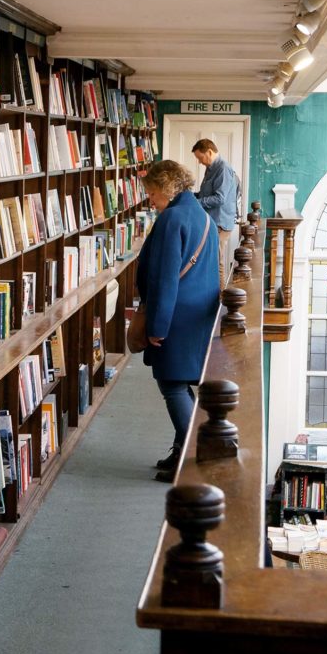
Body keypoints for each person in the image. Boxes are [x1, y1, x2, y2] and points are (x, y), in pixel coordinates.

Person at [135, 160, 220, 483]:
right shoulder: (202, 215)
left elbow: (166, 278)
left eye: (153, 193)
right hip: (198, 315)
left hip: (177, 316)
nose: (151, 201)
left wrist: (158, 326)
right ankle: (180, 449)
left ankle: (193, 455)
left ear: (168, 188)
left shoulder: (173, 218)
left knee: (172, 385)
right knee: (183, 383)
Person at [191, 139, 238, 291]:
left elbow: (219, 198)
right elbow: (206, 194)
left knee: (217, 262)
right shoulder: (211, 168)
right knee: (210, 260)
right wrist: (190, 196)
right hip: (213, 221)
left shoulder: (223, 168)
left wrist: (195, 203)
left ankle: (221, 299)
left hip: (220, 223)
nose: (199, 162)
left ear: (209, 152)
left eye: (200, 158)